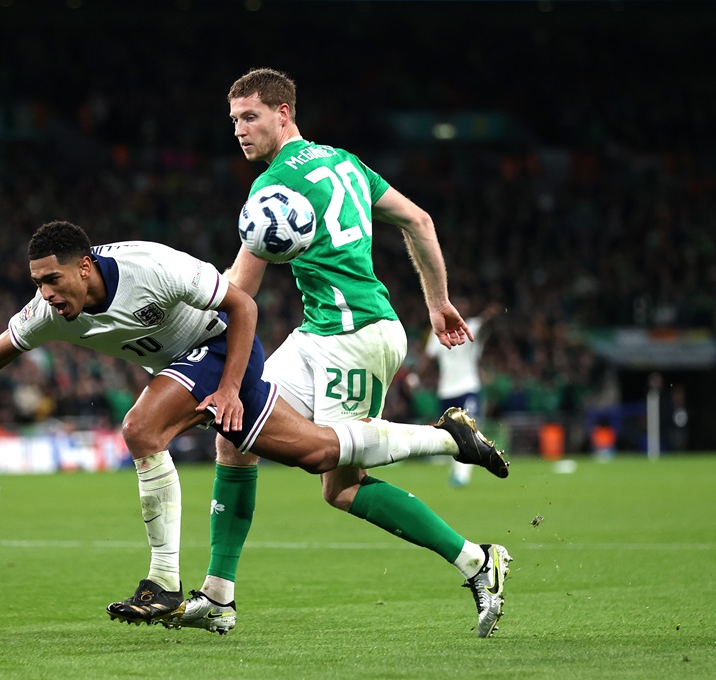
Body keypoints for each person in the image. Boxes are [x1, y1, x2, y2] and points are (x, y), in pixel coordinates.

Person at [0, 220, 506, 628]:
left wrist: (232, 387)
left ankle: (163, 584)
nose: (46, 294)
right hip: (196, 371)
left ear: (85, 266)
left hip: (224, 348)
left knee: (140, 429)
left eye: (53, 279)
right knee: (328, 471)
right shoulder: (48, 311)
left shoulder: (149, 267)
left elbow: (243, 304)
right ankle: (218, 598)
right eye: (37, 284)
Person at [163, 68, 512, 639]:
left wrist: (174, 318)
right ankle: (219, 596)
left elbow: (239, 289)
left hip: (355, 337)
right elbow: (418, 220)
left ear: (284, 114)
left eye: (250, 117)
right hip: (322, 331)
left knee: (338, 482)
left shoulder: (275, 187)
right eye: (233, 121)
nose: (239, 130)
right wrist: (438, 302)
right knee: (236, 431)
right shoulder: (343, 161)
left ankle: (469, 529)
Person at [419, 299, 502, 487]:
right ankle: (455, 469)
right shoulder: (437, 332)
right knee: (449, 433)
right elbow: (428, 359)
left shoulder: (471, 326)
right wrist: (416, 378)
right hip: (446, 391)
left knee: (471, 430)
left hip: (468, 388)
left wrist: (490, 316)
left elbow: (485, 324)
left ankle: (461, 475)